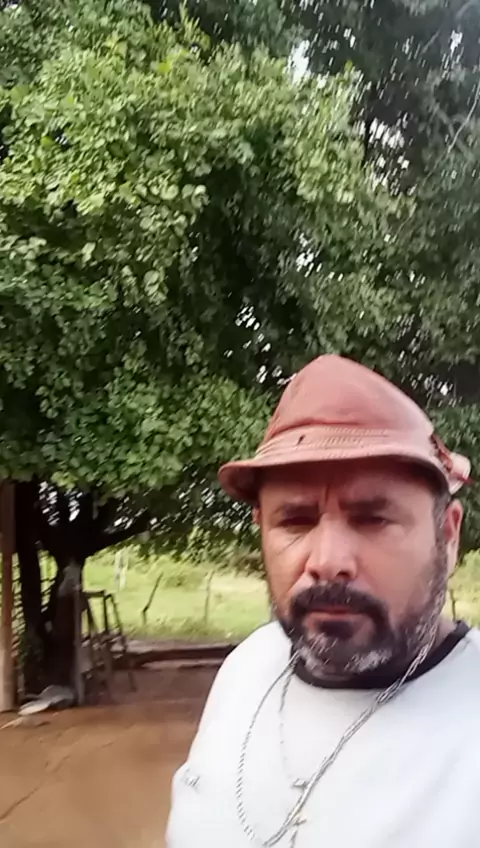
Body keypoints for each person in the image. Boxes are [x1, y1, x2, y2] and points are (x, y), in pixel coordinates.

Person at [166, 354, 480, 848]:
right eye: (295, 520)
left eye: (372, 519)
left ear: (447, 535)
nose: (328, 562)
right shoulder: (247, 668)